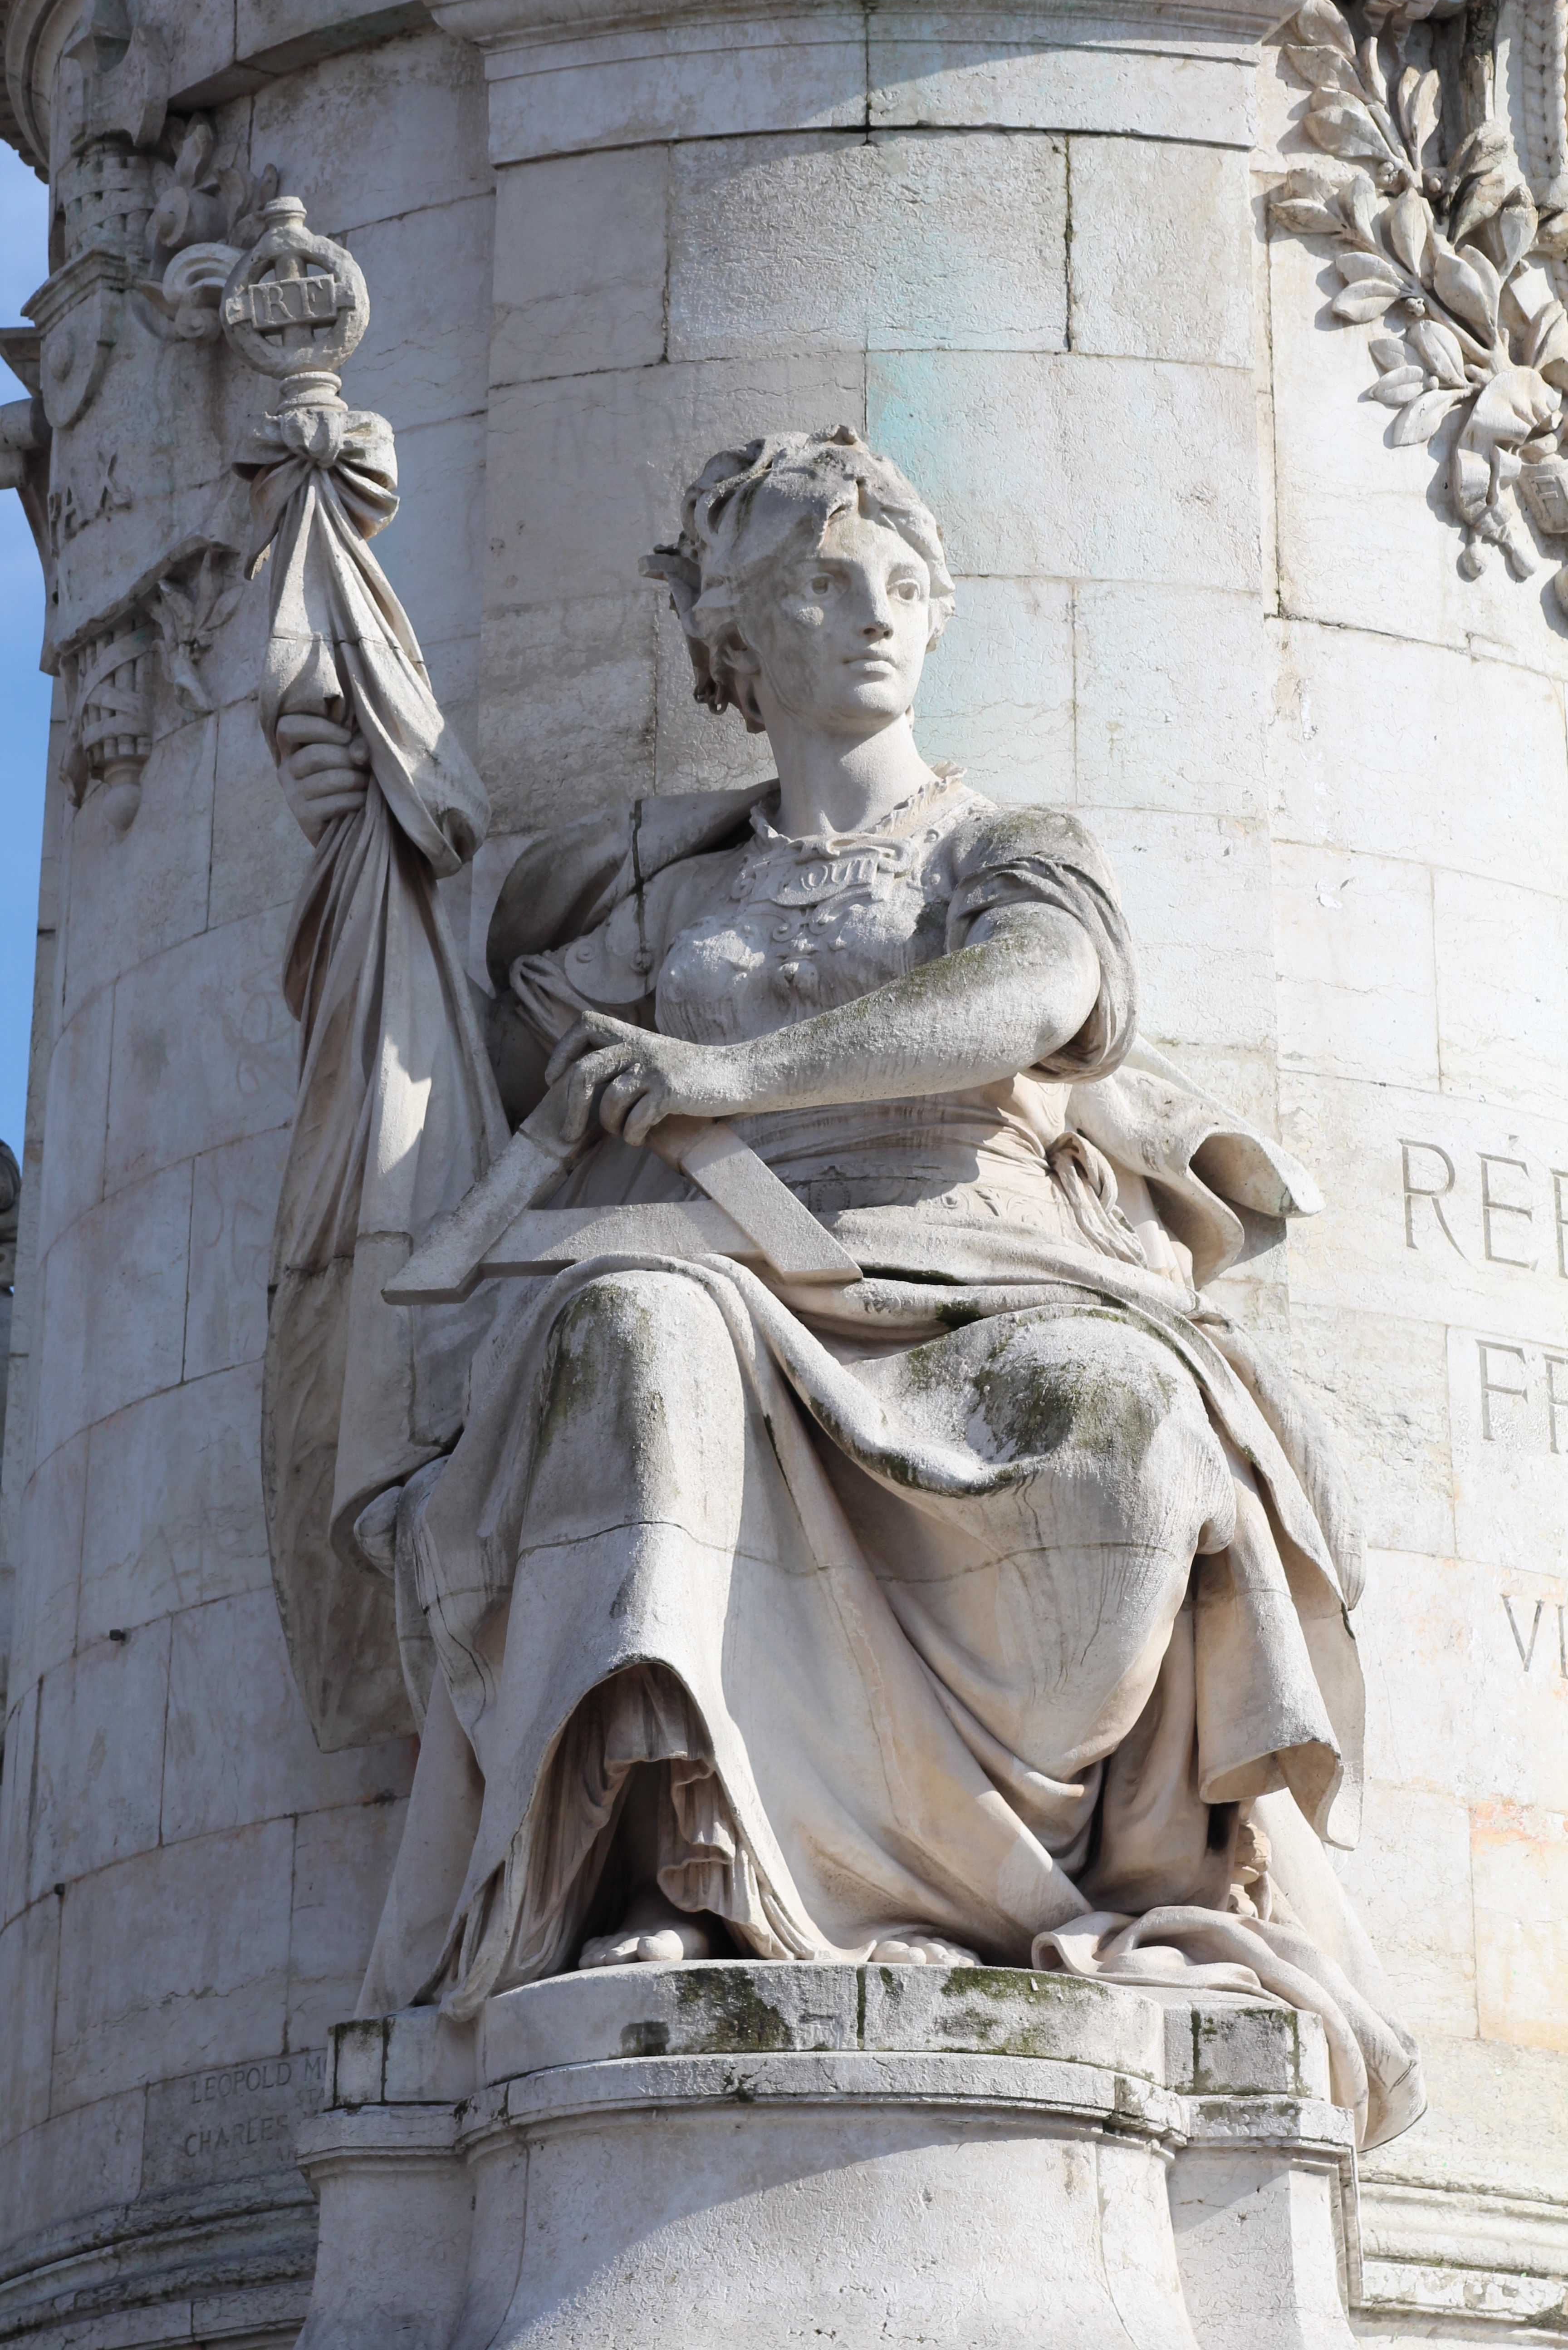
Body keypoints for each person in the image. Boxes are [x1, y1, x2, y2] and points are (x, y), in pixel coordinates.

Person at [267, 429, 1421, 2149]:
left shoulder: (1004, 846)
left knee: (1124, 1408)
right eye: (818, 580)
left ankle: (1114, 1864)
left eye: (898, 582)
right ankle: (678, 1859)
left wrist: (732, 1079)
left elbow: (1036, 997)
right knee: (631, 1337)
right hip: (726, 1267)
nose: (868, 612)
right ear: (738, 640)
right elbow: (470, 1060)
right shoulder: (669, 892)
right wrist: (372, 847)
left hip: (996, 1264)